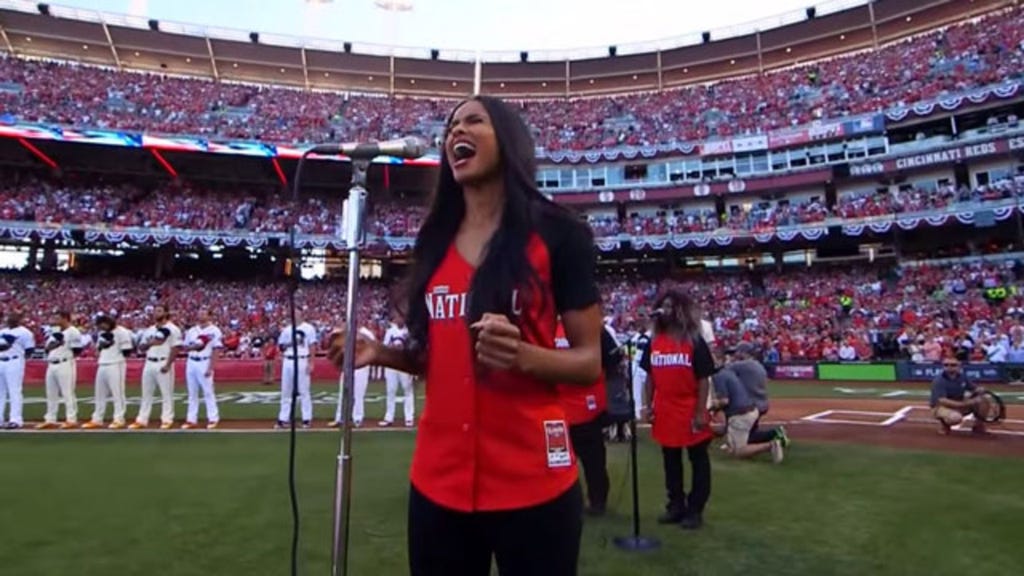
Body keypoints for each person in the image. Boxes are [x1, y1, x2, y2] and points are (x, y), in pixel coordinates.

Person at [328, 95, 602, 576]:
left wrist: (521, 354)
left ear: (509, 140)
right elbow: (437, 357)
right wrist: (380, 353)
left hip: (533, 480)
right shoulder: (434, 242)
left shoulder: (560, 234)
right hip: (439, 484)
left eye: (474, 121)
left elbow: (588, 362)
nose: (456, 131)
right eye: (451, 126)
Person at [640, 288, 715, 530]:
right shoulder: (654, 341)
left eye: (671, 306)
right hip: (665, 407)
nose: (665, 311)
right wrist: (647, 405)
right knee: (670, 459)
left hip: (690, 406)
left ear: (681, 310)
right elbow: (649, 376)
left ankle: (695, 509)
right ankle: (675, 505)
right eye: (663, 306)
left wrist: (700, 412)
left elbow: (703, 378)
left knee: (698, 459)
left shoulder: (694, 340)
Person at [557, 318, 617, 516]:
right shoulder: (547, 326)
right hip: (557, 409)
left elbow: (613, 360)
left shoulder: (593, 328)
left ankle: (598, 501)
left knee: (594, 461)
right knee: (559, 463)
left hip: (588, 407)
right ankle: (562, 502)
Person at [710, 367, 784, 463]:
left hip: (741, 415)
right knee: (737, 440)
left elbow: (724, 401)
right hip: (751, 411)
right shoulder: (728, 373)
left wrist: (711, 408)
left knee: (738, 452)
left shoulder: (718, 377)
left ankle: (770, 445)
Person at [130, 305, 182, 430]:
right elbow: (141, 347)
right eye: (155, 311)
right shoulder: (150, 330)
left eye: (159, 311)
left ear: (166, 313)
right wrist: (149, 343)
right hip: (149, 361)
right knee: (146, 393)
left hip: (163, 361)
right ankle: (142, 419)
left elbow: (176, 348)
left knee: (166, 394)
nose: (156, 313)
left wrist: (168, 364)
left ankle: (167, 419)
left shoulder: (173, 329)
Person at [82, 314, 134, 430]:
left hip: (116, 363)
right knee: (99, 394)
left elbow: (127, 351)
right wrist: (101, 347)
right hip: (102, 363)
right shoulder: (102, 334)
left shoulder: (121, 332)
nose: (101, 328)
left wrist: (111, 344)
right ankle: (97, 419)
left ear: (108, 323)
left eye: (102, 325)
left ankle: (119, 419)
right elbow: (98, 350)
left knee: (117, 393)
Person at [36, 310, 84, 430]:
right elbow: (47, 348)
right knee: (51, 393)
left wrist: (63, 350)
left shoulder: (73, 331)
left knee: (67, 392)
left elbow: (77, 350)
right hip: (51, 363)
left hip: (65, 362)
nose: (55, 321)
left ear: (65, 318)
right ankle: (50, 419)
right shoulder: (55, 332)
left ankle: (71, 419)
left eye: (58, 318)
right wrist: (54, 345)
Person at [329, 324, 377, 428]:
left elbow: (373, 349)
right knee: (343, 393)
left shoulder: (366, 333)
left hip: (361, 366)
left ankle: (357, 419)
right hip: (347, 365)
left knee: (358, 394)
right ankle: (340, 418)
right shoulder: (346, 332)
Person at [182, 309, 223, 430]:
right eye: (199, 313)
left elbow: (216, 349)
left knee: (208, 391)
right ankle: (191, 419)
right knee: (192, 392)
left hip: (204, 361)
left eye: (204, 313)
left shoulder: (214, 330)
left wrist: (210, 367)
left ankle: (213, 418)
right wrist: (195, 346)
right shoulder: (192, 330)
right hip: (191, 361)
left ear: (209, 316)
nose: (201, 315)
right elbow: (185, 347)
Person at [276, 318, 318, 429]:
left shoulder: (308, 328)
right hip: (288, 359)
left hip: (302, 359)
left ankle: (306, 418)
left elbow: (312, 346)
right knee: (286, 391)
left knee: (304, 390)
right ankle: (283, 418)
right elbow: (281, 347)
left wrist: (311, 362)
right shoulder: (287, 329)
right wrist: (290, 344)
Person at [930, 355, 986, 435]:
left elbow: (973, 388)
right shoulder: (939, 380)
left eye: (953, 365)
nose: (949, 367)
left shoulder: (962, 377)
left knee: (983, 401)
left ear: (959, 366)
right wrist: (965, 403)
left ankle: (979, 426)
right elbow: (942, 400)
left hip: (959, 403)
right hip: (941, 407)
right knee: (955, 418)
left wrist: (979, 390)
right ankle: (944, 425)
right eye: (946, 365)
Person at [0, 312, 35, 430]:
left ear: (19, 319)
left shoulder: (25, 332)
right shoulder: (2, 331)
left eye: (13, 316)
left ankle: (15, 420)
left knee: (14, 391)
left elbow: (29, 350)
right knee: (0, 392)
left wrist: (20, 359)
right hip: (1, 360)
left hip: (14, 361)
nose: (10, 318)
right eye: (9, 316)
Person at [381, 316, 415, 427]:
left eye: (402, 317)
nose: (400, 320)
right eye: (398, 318)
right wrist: (392, 347)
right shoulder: (390, 331)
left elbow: (413, 348)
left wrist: (404, 348)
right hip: (392, 364)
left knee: (407, 390)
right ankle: (389, 417)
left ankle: (409, 418)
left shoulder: (409, 332)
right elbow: (384, 347)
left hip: (404, 364)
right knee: (391, 390)